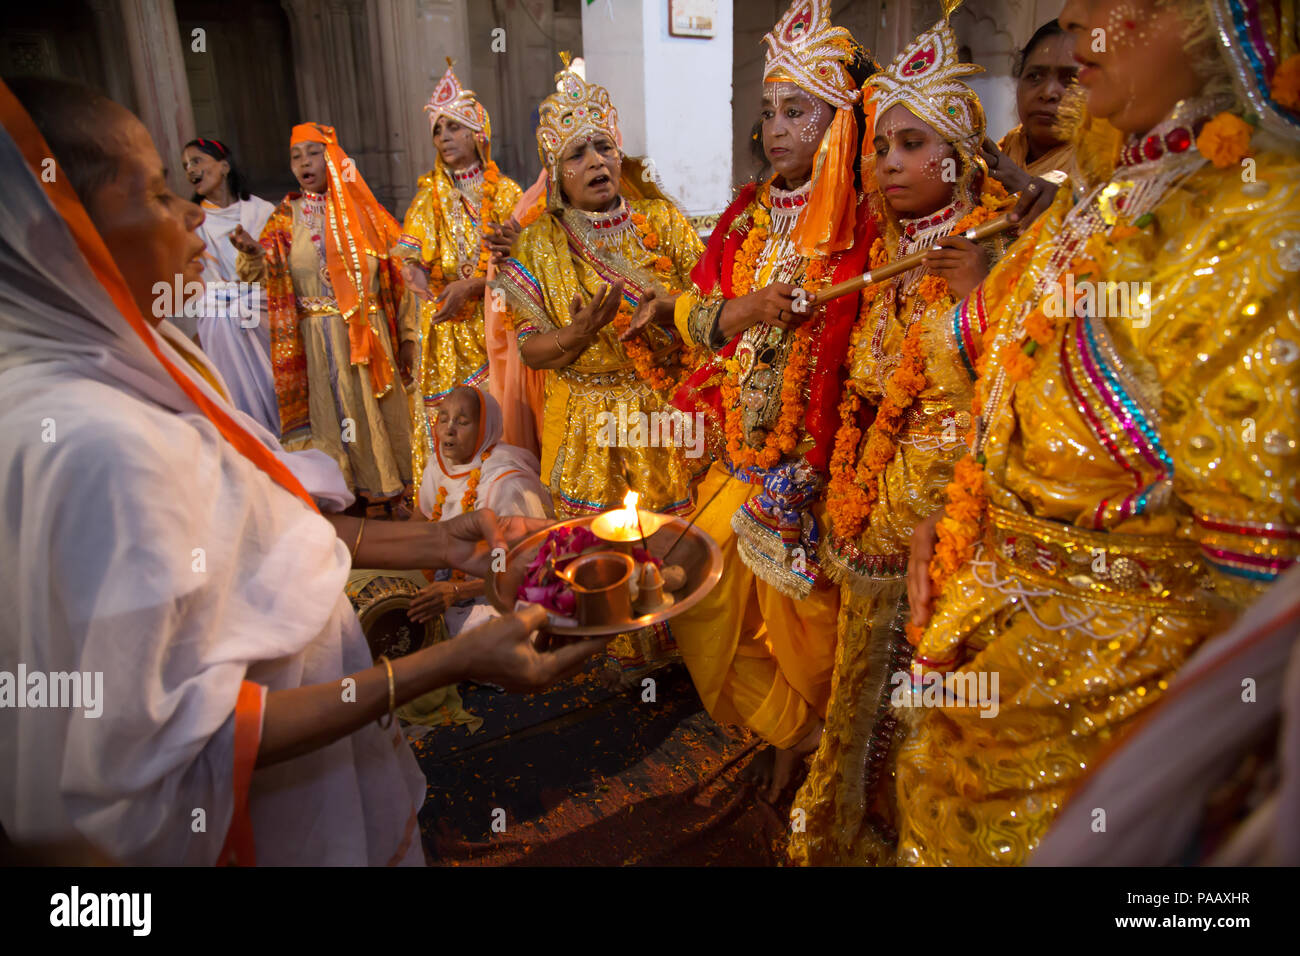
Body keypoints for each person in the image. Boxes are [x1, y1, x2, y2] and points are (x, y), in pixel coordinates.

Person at [0, 76, 606, 865]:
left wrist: (441, 544)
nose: (192, 214)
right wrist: (450, 662)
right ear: (61, 233)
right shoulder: (94, 443)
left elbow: (254, 530)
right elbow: (179, 751)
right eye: (153, 193)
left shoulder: (127, 362)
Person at [896, 0, 1299, 865]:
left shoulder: (1262, 224)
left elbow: (1261, 619)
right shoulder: (1091, 203)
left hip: (1120, 725)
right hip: (981, 656)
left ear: (1226, 19)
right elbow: (988, 376)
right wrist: (963, 517)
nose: (1077, 16)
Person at [633, 0, 877, 801]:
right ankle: (795, 735)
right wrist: (727, 314)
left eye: (797, 111)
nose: (776, 128)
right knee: (692, 598)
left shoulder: (873, 226)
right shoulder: (743, 214)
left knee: (814, 639)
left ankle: (813, 758)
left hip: (828, 472)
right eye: (768, 111)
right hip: (742, 455)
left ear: (840, 121)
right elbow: (694, 313)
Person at [789, 11, 1016, 865]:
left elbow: (1016, 385)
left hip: (953, 516)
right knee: (859, 686)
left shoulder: (995, 247)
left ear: (954, 157)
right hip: (873, 496)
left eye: (908, 144)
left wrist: (980, 299)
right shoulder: (882, 246)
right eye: (880, 147)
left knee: (934, 696)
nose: (884, 164)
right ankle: (843, 829)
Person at [494, 55, 706, 680]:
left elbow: (707, 302)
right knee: (597, 536)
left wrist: (673, 314)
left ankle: (675, 650)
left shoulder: (663, 223)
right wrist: (580, 332)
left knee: (663, 531)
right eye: (576, 155)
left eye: (603, 147)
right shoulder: (537, 245)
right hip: (582, 408)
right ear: (555, 174)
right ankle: (608, 653)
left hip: (656, 403)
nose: (595, 163)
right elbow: (532, 347)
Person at [232, 123, 416, 515]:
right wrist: (251, 253)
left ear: (331, 156)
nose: (303, 163)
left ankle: (390, 493)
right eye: (296, 157)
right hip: (317, 339)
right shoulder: (285, 218)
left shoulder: (366, 212)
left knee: (377, 414)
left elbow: (402, 273)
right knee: (333, 416)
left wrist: (410, 337)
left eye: (311, 153)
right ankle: (348, 499)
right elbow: (255, 273)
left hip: (369, 333)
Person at [393, 62, 526, 484]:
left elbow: (526, 264)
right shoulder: (427, 196)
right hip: (446, 328)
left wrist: (472, 286)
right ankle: (447, 501)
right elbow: (409, 258)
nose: (445, 137)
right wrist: (417, 280)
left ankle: (499, 492)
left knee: (495, 411)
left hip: (495, 321)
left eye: (454, 127)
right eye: (438, 130)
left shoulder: (507, 193)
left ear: (477, 133)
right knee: (450, 418)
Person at [409, 384, 552, 635]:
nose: (449, 430)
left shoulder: (506, 482)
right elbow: (421, 517)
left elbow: (525, 565)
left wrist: (457, 592)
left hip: (496, 590)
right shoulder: (438, 465)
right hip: (447, 579)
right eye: (443, 419)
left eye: (462, 422)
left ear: (485, 428)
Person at [181, 137, 279, 433]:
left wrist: (255, 260)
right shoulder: (193, 220)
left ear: (224, 166)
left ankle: (284, 428)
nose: (189, 170)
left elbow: (281, 266)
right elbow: (196, 282)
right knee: (226, 319)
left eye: (196, 161)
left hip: (265, 305)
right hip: (219, 310)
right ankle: (250, 432)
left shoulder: (262, 211)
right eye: (185, 166)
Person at [995, 20, 1079, 180]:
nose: (1047, 93)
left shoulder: (1106, 177)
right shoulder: (990, 162)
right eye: (1034, 76)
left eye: (1071, 79)